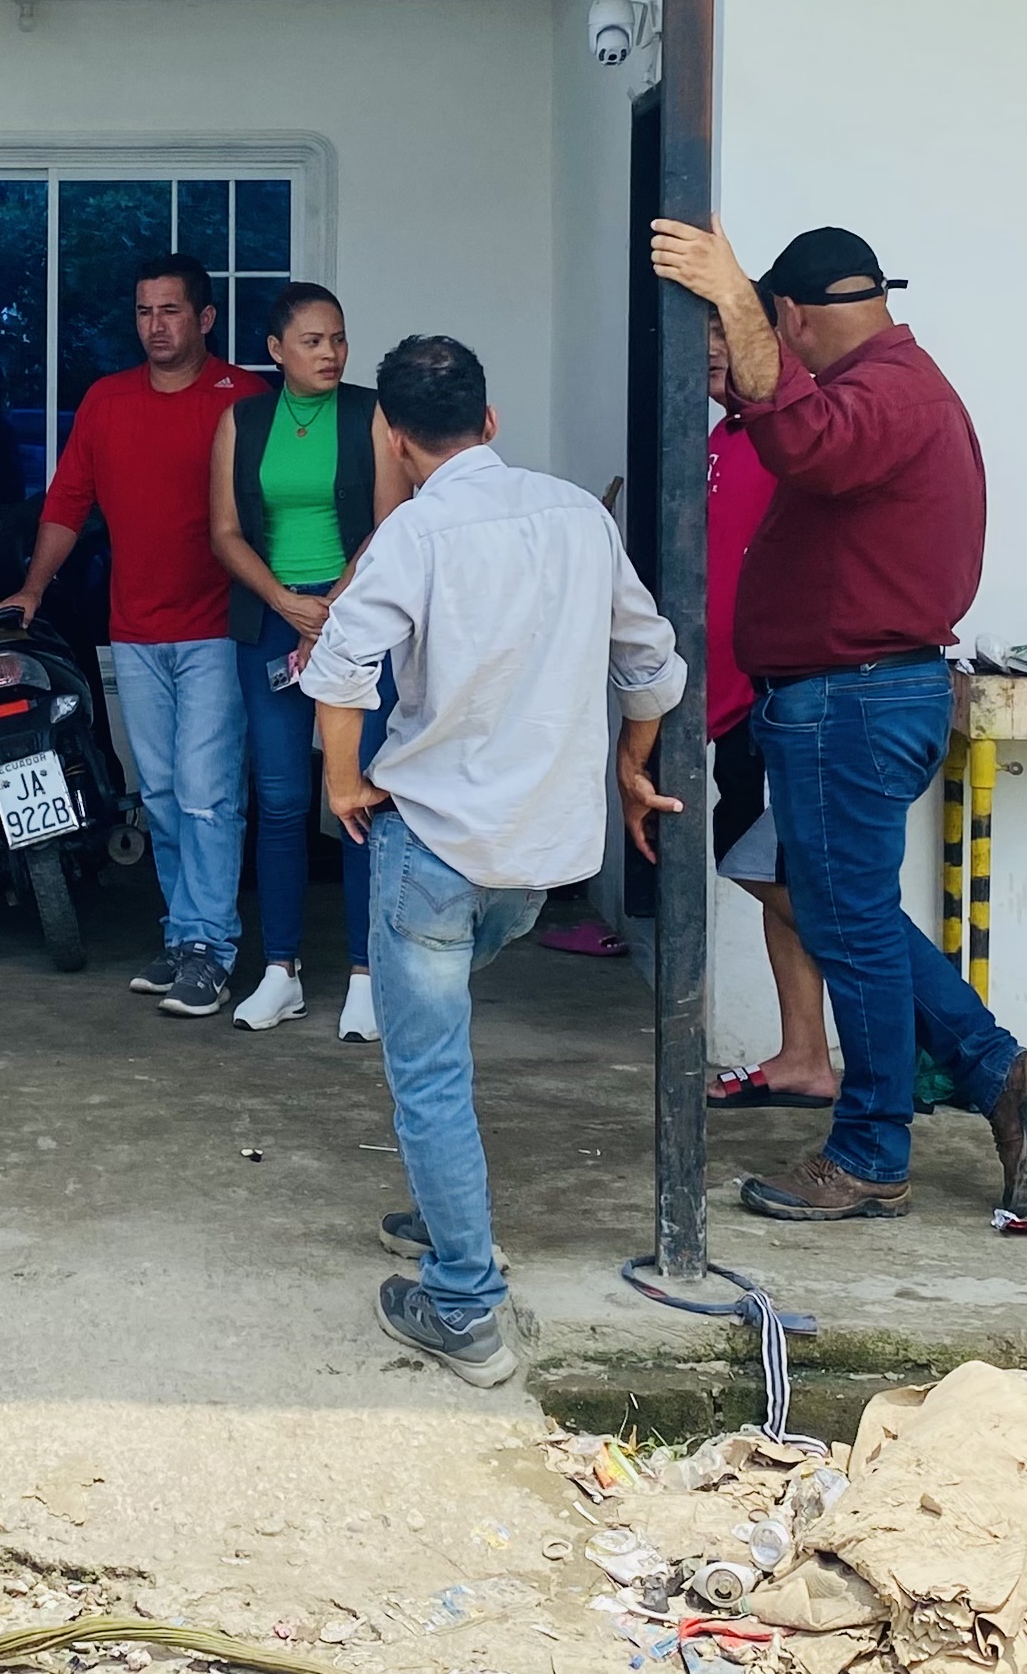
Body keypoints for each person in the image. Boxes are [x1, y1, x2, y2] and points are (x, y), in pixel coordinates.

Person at [650, 217, 1027, 1223]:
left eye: (764, 328)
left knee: (853, 928)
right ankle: (997, 1071)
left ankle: (873, 1151)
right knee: (851, 915)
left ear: (790, 317)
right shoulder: (891, 387)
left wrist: (735, 301)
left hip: (853, 697)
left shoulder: (886, 396)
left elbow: (805, 441)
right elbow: (798, 431)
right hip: (852, 696)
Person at [304, 335, 686, 1385]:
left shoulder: (414, 533)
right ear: (490, 419)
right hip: (540, 860)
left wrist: (343, 783)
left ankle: (464, 1303)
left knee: (428, 1070)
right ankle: (447, 1214)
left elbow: (340, 666)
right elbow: (650, 662)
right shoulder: (578, 517)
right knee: (438, 1031)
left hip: (435, 844)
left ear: (394, 437)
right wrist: (631, 765)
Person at [3, 253, 265, 1017]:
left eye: (171, 310)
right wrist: (33, 586)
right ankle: (184, 934)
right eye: (145, 311)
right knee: (164, 795)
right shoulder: (107, 400)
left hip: (219, 627)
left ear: (205, 318)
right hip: (137, 630)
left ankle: (212, 950)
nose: (156, 325)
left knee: (209, 794)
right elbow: (67, 502)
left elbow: (281, 505)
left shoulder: (245, 398)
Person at [204, 282, 403, 1037]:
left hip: (356, 619)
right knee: (282, 799)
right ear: (275, 350)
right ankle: (279, 970)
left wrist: (330, 609)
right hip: (271, 620)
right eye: (314, 341)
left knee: (358, 797)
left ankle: (365, 974)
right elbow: (225, 531)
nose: (331, 353)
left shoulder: (370, 412)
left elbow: (391, 521)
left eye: (339, 339)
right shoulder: (243, 420)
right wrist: (287, 604)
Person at [700, 316, 841, 1111]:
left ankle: (922, 1018)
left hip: (781, 696)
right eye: (702, 333)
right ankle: (804, 1056)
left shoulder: (797, 437)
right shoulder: (724, 437)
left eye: (726, 331)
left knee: (789, 877)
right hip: (732, 700)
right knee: (767, 868)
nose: (711, 348)